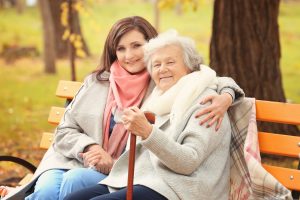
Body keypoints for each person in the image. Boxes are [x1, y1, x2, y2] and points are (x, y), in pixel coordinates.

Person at [1, 16, 243, 200]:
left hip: (129, 172)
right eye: (121, 48)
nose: (129, 55)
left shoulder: (162, 83)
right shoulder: (100, 81)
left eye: (137, 46)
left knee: (72, 185)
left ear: (151, 46)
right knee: (48, 192)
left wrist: (227, 95)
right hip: (73, 159)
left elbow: (208, 76)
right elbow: (65, 130)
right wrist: (90, 147)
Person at [63, 30, 238, 200]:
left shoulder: (207, 103)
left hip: (184, 189)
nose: (162, 70)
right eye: (156, 65)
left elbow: (187, 162)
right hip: (148, 180)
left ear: (190, 66)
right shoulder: (161, 99)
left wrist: (147, 132)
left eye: (170, 62)